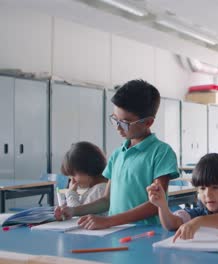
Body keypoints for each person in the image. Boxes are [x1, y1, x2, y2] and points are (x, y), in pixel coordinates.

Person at [54, 79, 179, 229]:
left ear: (148, 122)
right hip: (116, 231)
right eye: (115, 119)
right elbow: (106, 200)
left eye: (125, 123)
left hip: (146, 233)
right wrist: (73, 210)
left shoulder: (161, 153)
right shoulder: (118, 154)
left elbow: (156, 204)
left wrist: (109, 221)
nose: (118, 128)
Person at [147, 153, 218, 242]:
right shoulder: (202, 210)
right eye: (202, 188)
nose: (207, 194)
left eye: (215, 187)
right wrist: (162, 206)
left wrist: (199, 221)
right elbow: (172, 224)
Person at [60, 141, 108, 207]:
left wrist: (71, 194)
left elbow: (77, 214)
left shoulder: (100, 190)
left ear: (87, 169)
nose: (72, 180)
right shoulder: (95, 189)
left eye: (73, 175)